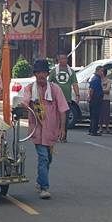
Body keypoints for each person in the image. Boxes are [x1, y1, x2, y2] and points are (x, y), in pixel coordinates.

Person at [22, 59, 69, 199]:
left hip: (51, 130)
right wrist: (24, 104)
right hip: (37, 129)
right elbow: (25, 100)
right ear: (35, 74)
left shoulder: (55, 89)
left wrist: (62, 129)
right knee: (43, 157)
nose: (41, 75)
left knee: (48, 159)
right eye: (38, 73)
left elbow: (62, 110)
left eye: (43, 73)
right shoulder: (30, 88)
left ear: (47, 74)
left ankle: (40, 180)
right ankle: (44, 187)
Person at [48, 52, 80, 142]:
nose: (64, 60)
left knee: (65, 118)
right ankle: (55, 135)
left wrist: (77, 94)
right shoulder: (54, 71)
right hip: (55, 99)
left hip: (67, 99)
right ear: (58, 60)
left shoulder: (71, 72)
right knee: (55, 118)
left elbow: (74, 83)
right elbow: (49, 83)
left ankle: (63, 136)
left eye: (65, 59)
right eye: (62, 59)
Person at [87, 65, 104, 136]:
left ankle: (91, 130)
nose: (102, 73)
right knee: (95, 115)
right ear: (97, 71)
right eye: (101, 71)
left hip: (95, 98)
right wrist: (90, 97)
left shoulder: (95, 78)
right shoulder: (96, 79)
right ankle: (93, 131)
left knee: (93, 115)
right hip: (95, 99)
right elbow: (91, 89)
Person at [99, 67, 112, 134]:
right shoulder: (98, 80)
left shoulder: (108, 81)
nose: (100, 72)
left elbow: (107, 90)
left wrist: (100, 90)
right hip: (99, 99)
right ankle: (100, 127)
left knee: (106, 114)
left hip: (106, 99)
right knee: (100, 114)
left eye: (101, 71)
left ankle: (107, 127)